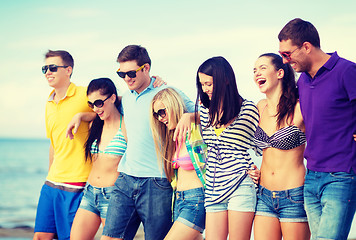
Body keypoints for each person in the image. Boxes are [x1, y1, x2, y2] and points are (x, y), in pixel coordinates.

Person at [98, 45, 195, 240]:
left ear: (146, 68)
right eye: (121, 74)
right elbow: (101, 107)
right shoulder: (125, 99)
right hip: (125, 179)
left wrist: (190, 117)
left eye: (131, 72)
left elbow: (206, 114)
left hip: (157, 183)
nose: (127, 78)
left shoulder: (167, 91)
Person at [278, 18, 356, 239]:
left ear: (306, 46)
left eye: (287, 54)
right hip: (311, 176)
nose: (285, 61)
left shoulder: (347, 71)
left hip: (341, 175)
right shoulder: (302, 81)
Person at [196, 56, 260, 240]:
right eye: (202, 84)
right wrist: (188, 116)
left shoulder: (247, 109)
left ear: (225, 79)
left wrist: (262, 170)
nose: (205, 89)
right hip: (213, 188)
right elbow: (171, 104)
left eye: (208, 83)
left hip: (241, 183)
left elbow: (264, 145)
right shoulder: (203, 111)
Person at [34, 50, 93, 240]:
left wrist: (83, 115)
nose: (47, 72)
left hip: (76, 183)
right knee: (41, 237)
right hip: (52, 182)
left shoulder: (85, 93)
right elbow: (54, 143)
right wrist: (49, 175)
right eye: (45, 68)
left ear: (68, 70)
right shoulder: (49, 102)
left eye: (52, 67)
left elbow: (112, 107)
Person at [252, 53, 310, 239]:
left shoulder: (300, 108)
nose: (256, 73)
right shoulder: (259, 107)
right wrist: (190, 115)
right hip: (263, 195)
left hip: (294, 195)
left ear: (279, 73)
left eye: (262, 68)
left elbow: (329, 129)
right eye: (254, 70)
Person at [70, 78, 127, 240]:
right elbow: (92, 114)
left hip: (113, 197)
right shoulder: (94, 124)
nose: (95, 108)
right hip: (90, 193)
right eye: (91, 105)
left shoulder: (126, 126)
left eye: (99, 103)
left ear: (113, 98)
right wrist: (80, 115)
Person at [150, 88, 206, 240]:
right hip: (178, 200)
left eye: (162, 112)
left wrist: (190, 116)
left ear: (173, 105)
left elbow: (216, 117)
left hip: (196, 200)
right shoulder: (173, 138)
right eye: (156, 115)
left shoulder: (197, 129)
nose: (160, 118)